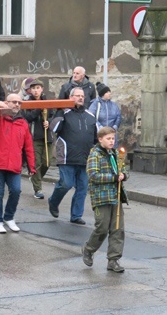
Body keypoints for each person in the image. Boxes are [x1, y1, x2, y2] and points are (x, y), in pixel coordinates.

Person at [0, 93, 36, 234]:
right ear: (7, 103)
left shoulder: (23, 123)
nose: (17, 104)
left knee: (16, 191)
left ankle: (9, 217)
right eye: (14, 102)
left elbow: (28, 147)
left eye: (19, 102)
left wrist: (31, 166)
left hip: (14, 165)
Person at [81, 126, 128, 273]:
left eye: (113, 138)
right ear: (100, 139)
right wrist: (113, 178)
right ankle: (89, 249)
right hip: (101, 197)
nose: (111, 141)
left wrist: (124, 175)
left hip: (116, 196)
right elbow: (93, 176)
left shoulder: (115, 154)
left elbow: (123, 169)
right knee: (102, 228)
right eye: (108, 138)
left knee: (117, 229)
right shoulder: (95, 155)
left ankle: (113, 260)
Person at [48, 87, 97, 225]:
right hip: (66, 157)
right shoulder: (64, 112)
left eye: (82, 96)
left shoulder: (90, 115)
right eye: (77, 95)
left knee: (82, 187)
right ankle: (53, 201)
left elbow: (97, 136)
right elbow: (55, 128)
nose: (81, 98)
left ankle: (76, 215)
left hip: (85, 157)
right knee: (66, 184)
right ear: (71, 97)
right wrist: (60, 111)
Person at [22, 80, 53, 199]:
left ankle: (35, 177)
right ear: (30, 90)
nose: (36, 90)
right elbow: (27, 117)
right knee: (36, 163)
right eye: (33, 88)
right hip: (34, 137)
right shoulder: (27, 103)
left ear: (42, 89)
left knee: (47, 162)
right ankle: (38, 189)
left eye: (38, 87)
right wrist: (38, 108)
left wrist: (48, 122)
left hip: (47, 136)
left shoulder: (47, 101)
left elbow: (52, 115)